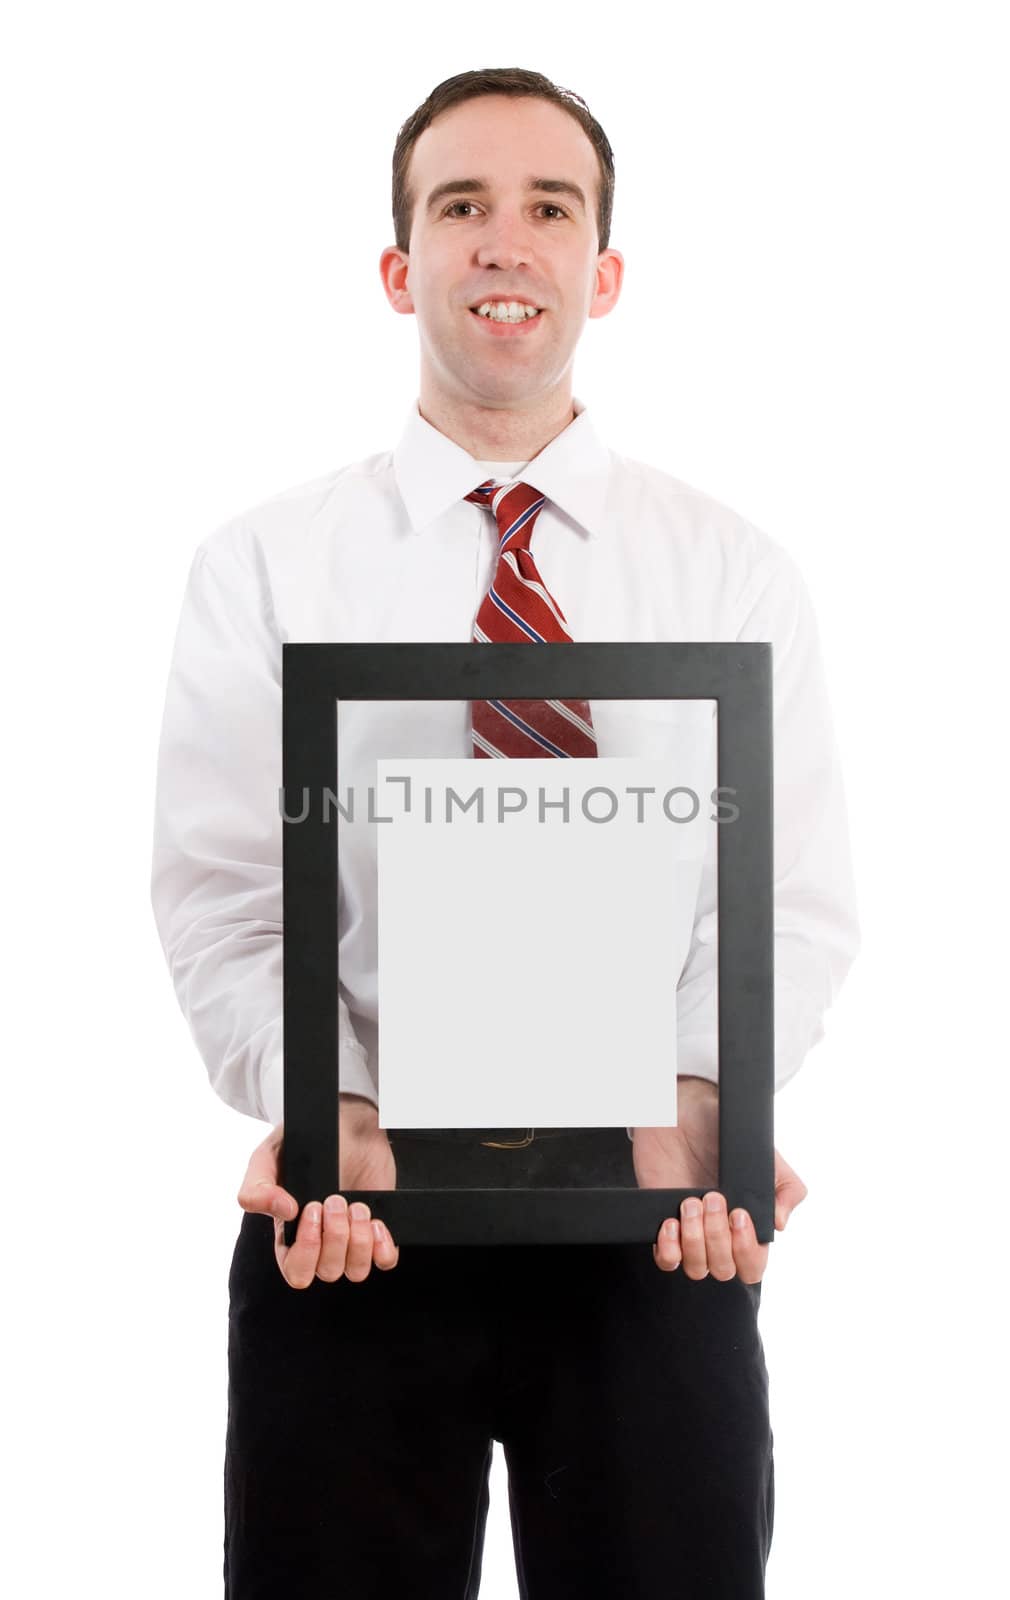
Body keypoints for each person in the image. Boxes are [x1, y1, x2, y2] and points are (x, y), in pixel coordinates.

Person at [150, 66, 860, 1599]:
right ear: (400, 266)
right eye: (457, 205)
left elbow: (784, 903)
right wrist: (322, 1107)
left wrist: (702, 1108)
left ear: (599, 272)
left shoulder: (730, 573)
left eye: (549, 209)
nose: (502, 240)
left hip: (646, 1218)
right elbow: (225, 901)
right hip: (354, 1208)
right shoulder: (265, 567)